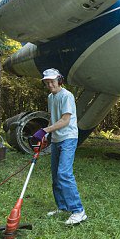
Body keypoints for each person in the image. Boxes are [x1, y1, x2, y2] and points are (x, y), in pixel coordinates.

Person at [34, 68, 87, 225]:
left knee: (64, 173)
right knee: (56, 175)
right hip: (57, 139)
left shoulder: (67, 96)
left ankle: (78, 211)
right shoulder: (51, 97)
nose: (50, 85)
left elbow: (65, 120)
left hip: (68, 138)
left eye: (52, 81)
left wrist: (44, 130)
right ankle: (63, 207)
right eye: (47, 82)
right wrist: (46, 135)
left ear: (59, 81)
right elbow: (53, 118)